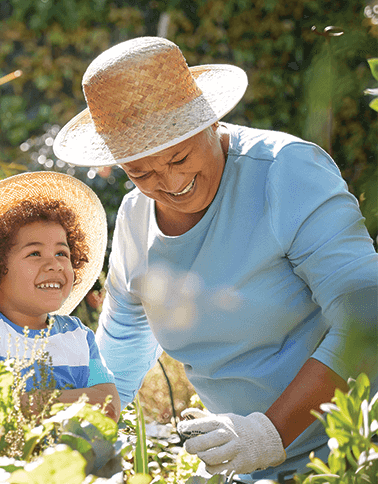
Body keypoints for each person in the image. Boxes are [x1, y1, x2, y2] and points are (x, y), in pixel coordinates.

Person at [51, 36, 378, 481]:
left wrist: (268, 435)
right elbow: (125, 338)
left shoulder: (285, 172)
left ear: (209, 119)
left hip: (354, 453)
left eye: (180, 156)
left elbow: (366, 315)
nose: (170, 181)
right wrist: (82, 433)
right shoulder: (134, 218)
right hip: (249, 467)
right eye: (140, 172)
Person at [0, 171, 121, 421]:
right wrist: (76, 401)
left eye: (62, 254)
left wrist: (30, 401)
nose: (54, 265)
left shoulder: (79, 336)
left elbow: (109, 405)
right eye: (34, 254)